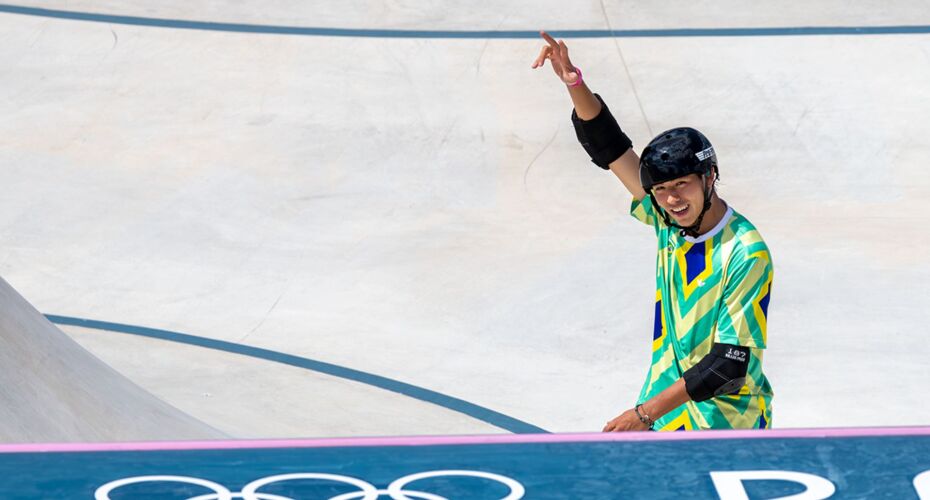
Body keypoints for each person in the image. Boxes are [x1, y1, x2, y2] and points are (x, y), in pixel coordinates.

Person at [532, 32, 774, 431]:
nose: (672, 199)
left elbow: (727, 365)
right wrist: (574, 82)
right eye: (660, 190)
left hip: (728, 425)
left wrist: (643, 415)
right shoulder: (669, 222)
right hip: (668, 416)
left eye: (682, 185)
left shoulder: (746, 251)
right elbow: (609, 148)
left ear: (709, 177)